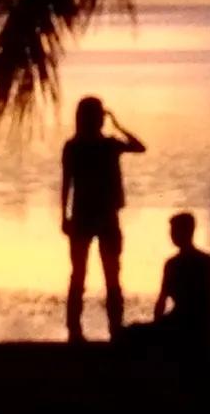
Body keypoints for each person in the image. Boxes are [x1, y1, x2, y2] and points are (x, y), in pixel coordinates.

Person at [58, 95, 145, 342]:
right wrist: (118, 125)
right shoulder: (106, 145)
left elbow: (66, 183)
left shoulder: (77, 146)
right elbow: (139, 146)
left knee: (84, 274)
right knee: (106, 275)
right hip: (100, 216)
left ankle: (77, 329)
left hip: (89, 215)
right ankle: (111, 328)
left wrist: (64, 215)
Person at [137, 211, 210, 353]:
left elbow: (161, 301)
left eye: (174, 231)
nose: (172, 235)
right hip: (199, 323)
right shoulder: (206, 261)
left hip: (187, 321)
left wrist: (157, 326)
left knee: (135, 332)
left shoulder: (174, 264)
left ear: (187, 232)